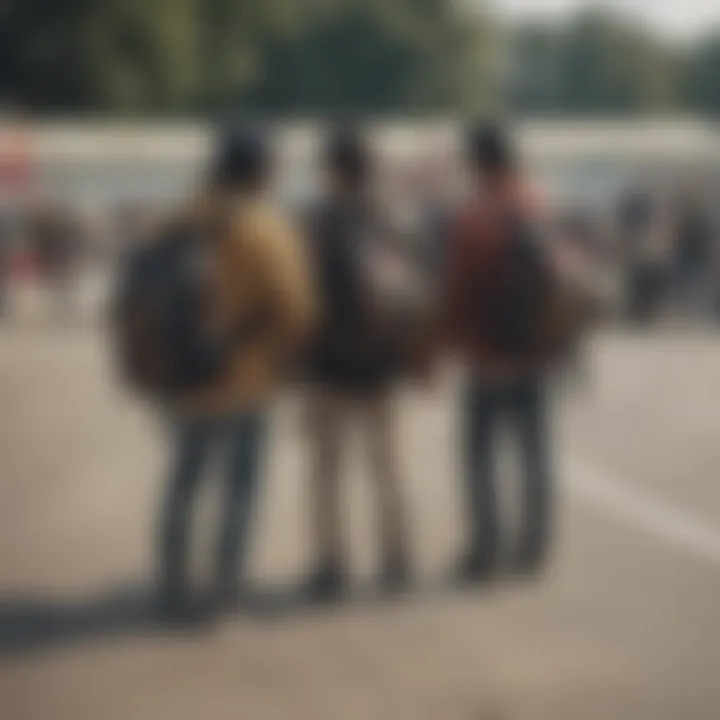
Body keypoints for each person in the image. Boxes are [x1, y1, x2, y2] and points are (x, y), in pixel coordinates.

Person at [156, 124, 317, 620]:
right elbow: (296, 308)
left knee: (186, 479)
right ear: (259, 171)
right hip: (247, 381)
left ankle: (174, 580)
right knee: (240, 486)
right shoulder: (266, 227)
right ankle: (223, 586)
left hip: (184, 376)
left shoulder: (176, 219)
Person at [302, 126, 414, 600]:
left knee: (328, 472)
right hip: (382, 367)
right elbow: (414, 295)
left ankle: (332, 564)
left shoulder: (316, 222)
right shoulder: (391, 220)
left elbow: (299, 297)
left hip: (328, 368)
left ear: (332, 170)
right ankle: (396, 557)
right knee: (386, 468)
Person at [443, 123, 554, 580]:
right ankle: (533, 547)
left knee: (481, 457)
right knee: (534, 454)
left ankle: (487, 549)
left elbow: (459, 290)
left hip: (488, 357)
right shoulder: (539, 203)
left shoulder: (475, 217)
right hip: (535, 353)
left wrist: (443, 343)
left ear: (478, 164)